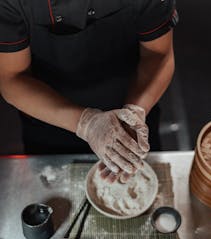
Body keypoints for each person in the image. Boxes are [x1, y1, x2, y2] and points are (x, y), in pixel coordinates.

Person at [0, 0, 178, 181]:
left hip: (132, 108)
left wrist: (134, 113)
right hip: (49, 118)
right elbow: (12, 78)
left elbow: (158, 55)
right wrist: (87, 124)